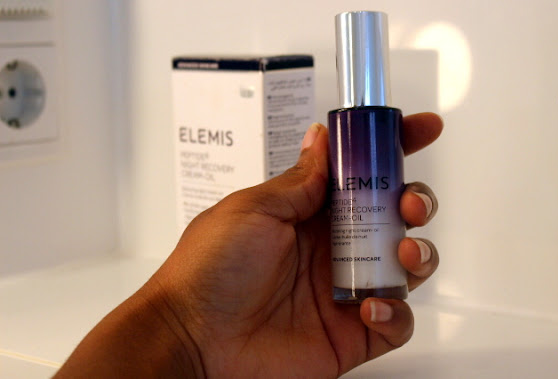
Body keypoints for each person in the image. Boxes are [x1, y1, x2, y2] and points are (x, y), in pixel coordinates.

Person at [53, 112, 443, 378]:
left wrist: (184, 334)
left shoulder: (376, 121)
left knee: (399, 216)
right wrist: (183, 325)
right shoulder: (346, 123)